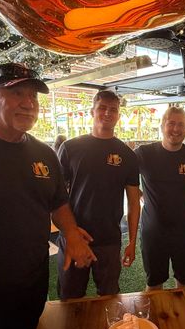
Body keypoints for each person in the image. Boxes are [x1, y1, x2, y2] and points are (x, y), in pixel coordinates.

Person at [0, 63, 96, 329]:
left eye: (33, 96)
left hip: (31, 277)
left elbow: (58, 202)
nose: (28, 103)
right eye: (16, 93)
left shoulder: (44, 154)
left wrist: (72, 234)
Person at [56, 90, 140, 299]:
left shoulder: (127, 155)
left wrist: (132, 241)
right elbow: (56, 196)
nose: (107, 113)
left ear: (118, 115)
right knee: (70, 298)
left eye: (113, 109)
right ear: (92, 111)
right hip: (74, 236)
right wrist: (69, 231)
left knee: (109, 298)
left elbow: (133, 202)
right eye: (102, 108)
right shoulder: (70, 148)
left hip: (109, 239)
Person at [135, 107, 185, 293]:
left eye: (181, 124)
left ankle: (183, 313)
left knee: (184, 281)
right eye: (171, 123)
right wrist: (139, 195)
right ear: (162, 126)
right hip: (153, 230)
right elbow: (124, 175)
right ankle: (156, 314)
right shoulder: (144, 153)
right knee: (154, 283)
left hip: (184, 229)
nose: (176, 129)